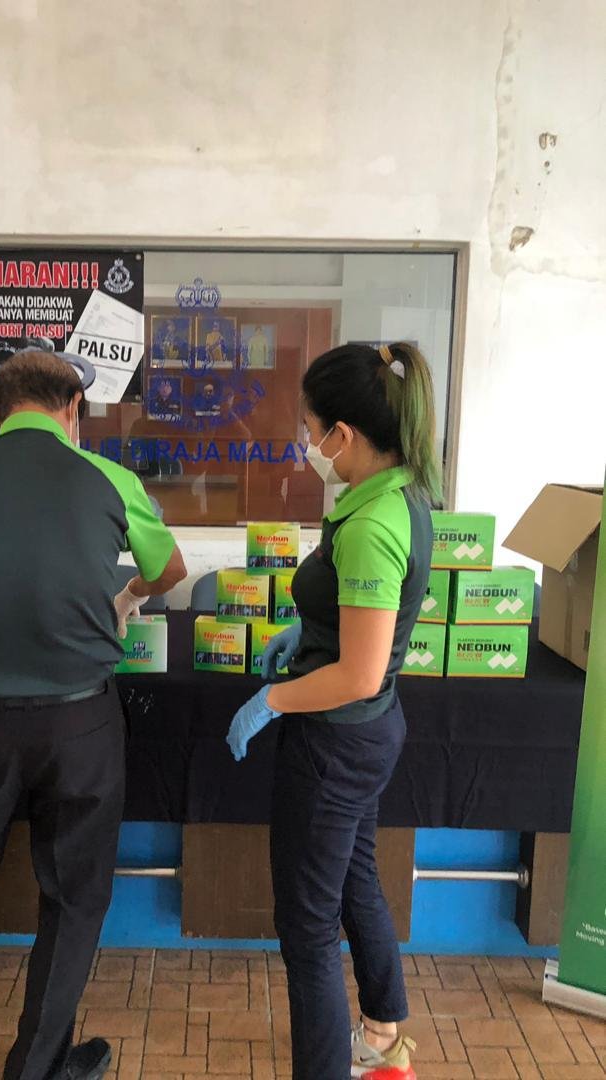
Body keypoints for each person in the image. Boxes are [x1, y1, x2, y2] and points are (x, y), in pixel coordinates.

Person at [0, 350, 186, 1080]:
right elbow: (171, 570)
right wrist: (125, 597)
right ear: (74, 411)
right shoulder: (111, 479)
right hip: (76, 724)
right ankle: (37, 1066)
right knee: (73, 896)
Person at [227, 342, 440, 1080]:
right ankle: (381, 1038)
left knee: (308, 930)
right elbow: (357, 628)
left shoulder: (375, 523)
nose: (307, 443)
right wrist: (309, 629)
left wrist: (272, 699)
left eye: (312, 429)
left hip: (336, 743)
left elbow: (359, 673)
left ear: (344, 435)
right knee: (354, 878)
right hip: (369, 733)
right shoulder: (393, 495)